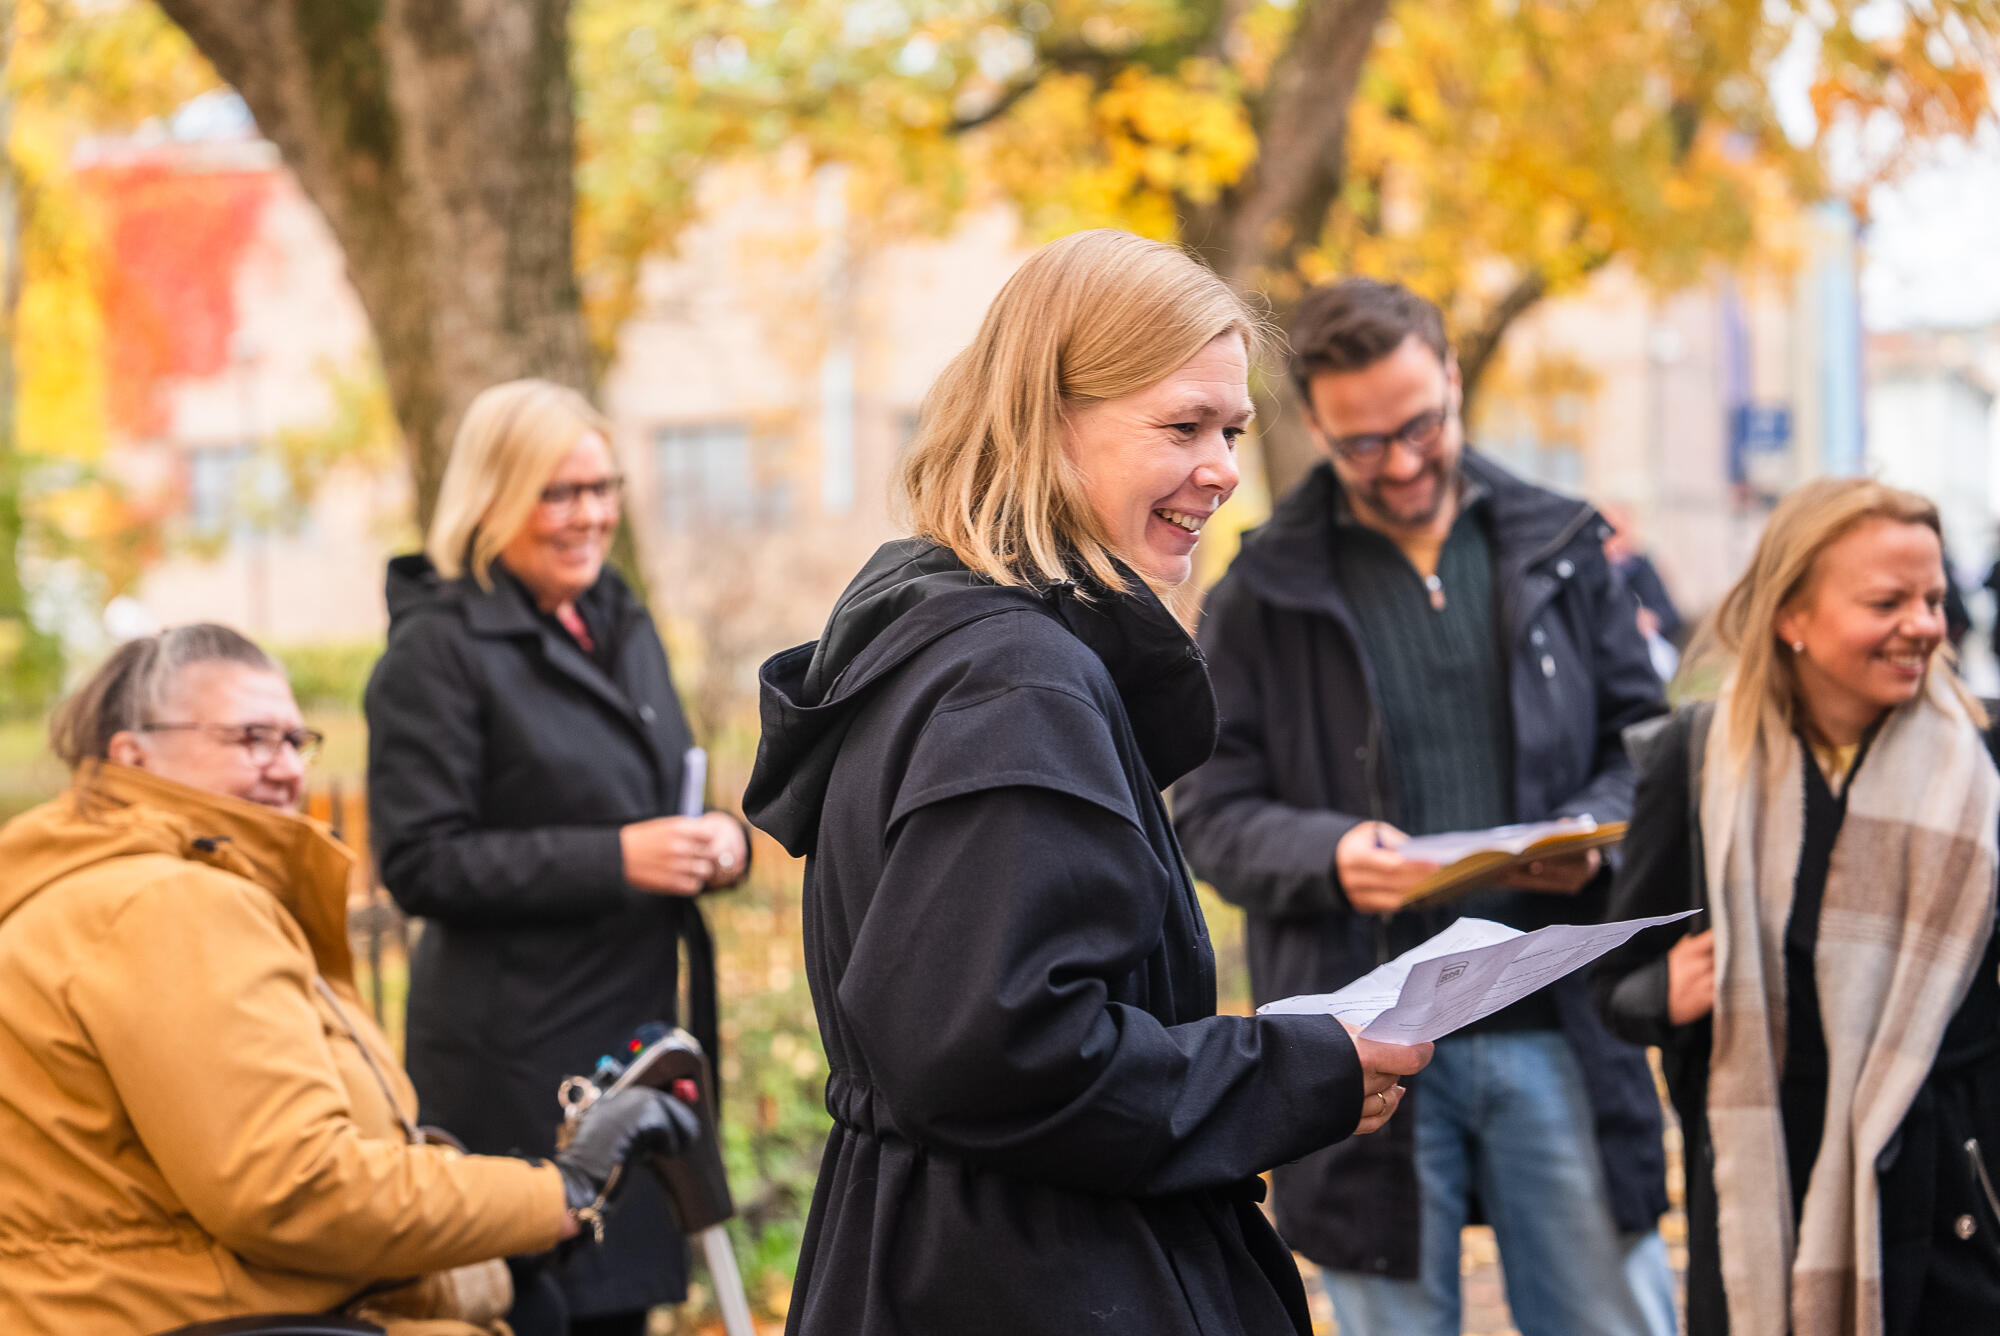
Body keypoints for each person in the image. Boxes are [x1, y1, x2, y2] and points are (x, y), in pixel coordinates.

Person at [741, 229, 1431, 1336]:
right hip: (1024, 1277)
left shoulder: (946, 635)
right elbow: (993, 1056)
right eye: (1180, 426)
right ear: (1044, 422)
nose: (1219, 468)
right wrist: (1290, 1072)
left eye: (1233, 429)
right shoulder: (1014, 679)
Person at [1172, 277, 1675, 1336]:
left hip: (1556, 1015)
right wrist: (1329, 854)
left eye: (1418, 426)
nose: (1398, 462)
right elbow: (1206, 808)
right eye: (1361, 444)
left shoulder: (1560, 544)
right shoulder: (1261, 587)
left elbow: (1643, 751)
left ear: (1450, 379)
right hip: (1365, 1038)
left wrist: (1588, 833)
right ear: (1312, 423)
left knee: (1607, 1313)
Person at [0, 625, 694, 1336]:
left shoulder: (111, 888)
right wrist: (564, 1189)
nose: (286, 768)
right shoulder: (168, 903)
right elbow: (294, 1188)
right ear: (132, 753)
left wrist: (506, 1229)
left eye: (296, 742)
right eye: (251, 739)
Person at [364, 381, 746, 1336]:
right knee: (544, 1307)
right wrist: (616, 859)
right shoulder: (437, 649)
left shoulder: (619, 616)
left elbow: (665, 786)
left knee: (626, 1304)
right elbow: (420, 862)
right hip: (515, 1065)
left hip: (632, 1037)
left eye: (602, 487)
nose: (590, 516)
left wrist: (721, 844)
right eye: (558, 493)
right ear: (490, 499)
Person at [1594, 478, 2000, 1336]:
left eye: (1931, 598)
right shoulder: (1697, 761)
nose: (1924, 625)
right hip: (1758, 1197)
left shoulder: (1985, 764)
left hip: (1949, 1202)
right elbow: (1618, 987)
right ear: (1792, 618)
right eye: (1886, 601)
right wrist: (1661, 992)